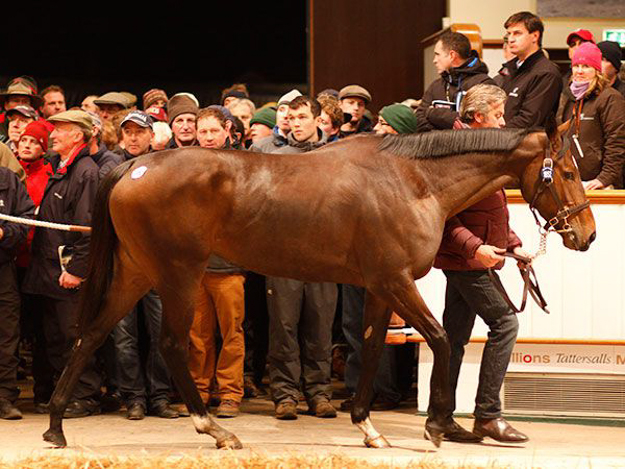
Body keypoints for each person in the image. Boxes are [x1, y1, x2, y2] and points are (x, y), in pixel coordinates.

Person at [431, 83, 530, 444]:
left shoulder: (477, 148)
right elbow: (444, 216)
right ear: (477, 117)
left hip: (468, 258)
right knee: (505, 324)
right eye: (498, 115)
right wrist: (475, 249)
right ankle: (488, 416)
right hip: (466, 261)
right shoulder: (459, 155)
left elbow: (488, 208)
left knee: (452, 339)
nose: (503, 122)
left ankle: (440, 418)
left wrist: (511, 243)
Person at [21, 110, 102, 418]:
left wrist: (77, 271)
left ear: (77, 136)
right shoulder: (62, 169)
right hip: (50, 273)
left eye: (59, 130)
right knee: (55, 337)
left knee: (73, 336)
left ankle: (86, 395)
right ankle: (68, 393)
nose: (52, 135)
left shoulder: (85, 173)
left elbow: (87, 228)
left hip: (67, 275)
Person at [340, 102, 419, 414]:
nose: (377, 129)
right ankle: (359, 388)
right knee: (353, 325)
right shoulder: (370, 163)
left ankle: (385, 389)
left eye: (385, 124)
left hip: (386, 259)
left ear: (401, 132)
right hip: (354, 255)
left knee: (386, 329)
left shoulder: (407, 172)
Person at [267, 96, 338, 420]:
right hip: (283, 256)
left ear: (318, 119)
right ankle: (285, 395)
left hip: (325, 257)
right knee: (283, 328)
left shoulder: (334, 156)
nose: (295, 123)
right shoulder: (276, 157)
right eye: (291, 117)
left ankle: (319, 393)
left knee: (320, 329)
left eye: (301, 117)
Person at [110, 110, 179, 420]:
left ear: (153, 135)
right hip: (123, 263)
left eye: (140, 131)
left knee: (160, 331)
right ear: (121, 135)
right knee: (125, 337)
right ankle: (135, 397)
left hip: (157, 265)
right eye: (128, 131)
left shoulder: (165, 167)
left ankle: (160, 396)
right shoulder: (110, 168)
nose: (134, 137)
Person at [188, 107, 246, 418]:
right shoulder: (190, 166)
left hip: (230, 269)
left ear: (227, 130)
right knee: (198, 336)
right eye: (203, 132)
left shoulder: (241, 165)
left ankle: (230, 394)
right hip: (197, 268)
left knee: (232, 334)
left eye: (213, 131)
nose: (208, 137)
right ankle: (198, 390)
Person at [15, 121, 53, 413]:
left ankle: (43, 392)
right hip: (11, 262)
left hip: (36, 263)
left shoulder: (48, 176)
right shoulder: (11, 175)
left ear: (44, 147)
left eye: (34, 141)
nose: (26, 145)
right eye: (23, 140)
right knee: (13, 331)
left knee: (42, 330)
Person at [560, 42, 625, 190]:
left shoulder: (610, 98)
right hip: (571, 181)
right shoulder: (567, 97)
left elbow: (617, 142)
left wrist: (605, 178)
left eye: (586, 66)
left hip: (600, 184)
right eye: (576, 66)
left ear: (597, 70)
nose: (579, 71)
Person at [0, 166, 34, 420]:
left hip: (3, 268)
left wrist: (4, 233)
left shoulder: (7, 179)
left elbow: (25, 219)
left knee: (7, 334)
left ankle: (4, 397)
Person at [416, 31, 493, 132]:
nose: (434, 60)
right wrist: (442, 136)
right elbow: (419, 118)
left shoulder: (484, 84)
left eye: (437, 55)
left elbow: (477, 122)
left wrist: (433, 113)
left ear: (452, 55)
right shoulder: (436, 86)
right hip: (437, 145)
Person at [500, 11, 562, 128]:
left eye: (517, 33)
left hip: (527, 144)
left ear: (535, 36)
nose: (511, 39)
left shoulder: (546, 73)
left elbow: (528, 120)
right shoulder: (511, 69)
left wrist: (494, 134)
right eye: (509, 34)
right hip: (503, 141)